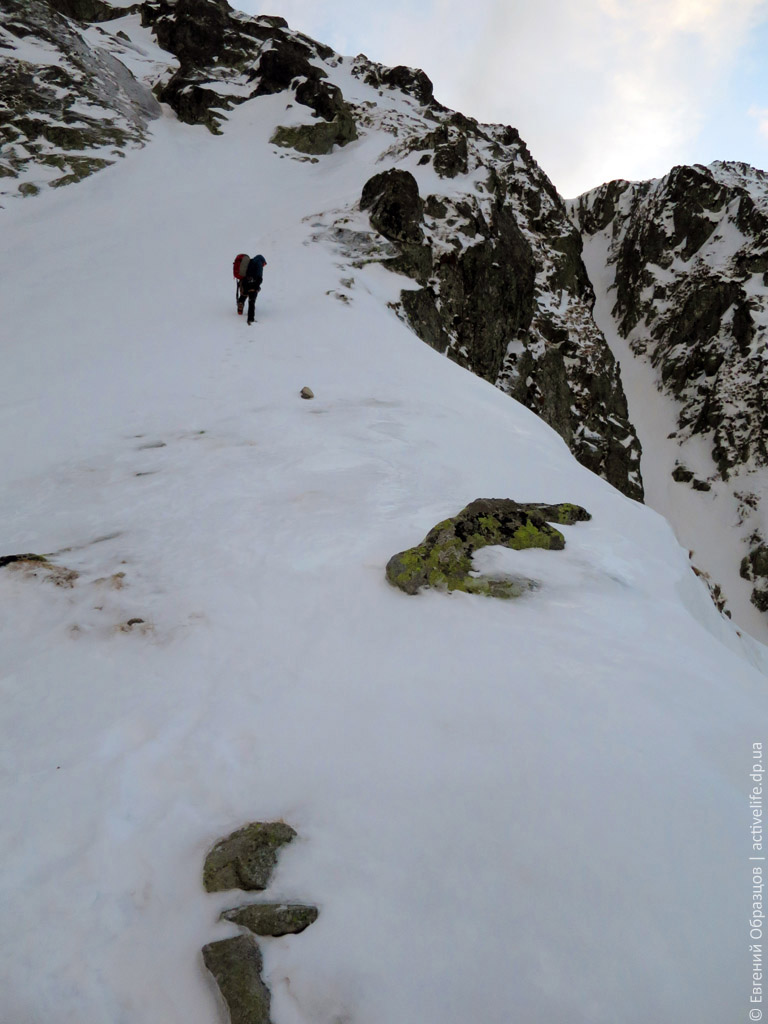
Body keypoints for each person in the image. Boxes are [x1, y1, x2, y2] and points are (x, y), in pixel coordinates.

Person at [237, 254, 267, 325]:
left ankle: (240, 304)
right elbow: (259, 276)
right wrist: (257, 286)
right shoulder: (259, 262)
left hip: (245, 282)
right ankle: (250, 319)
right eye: (264, 264)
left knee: (244, 293)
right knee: (252, 300)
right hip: (253, 282)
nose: (263, 266)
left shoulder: (250, 262)